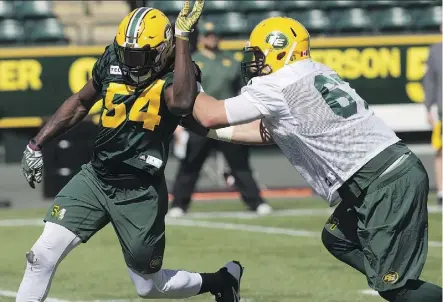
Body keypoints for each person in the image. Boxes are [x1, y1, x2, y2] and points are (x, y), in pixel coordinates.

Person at [184, 17, 442, 302]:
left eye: (259, 54)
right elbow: (266, 131)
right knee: (338, 238)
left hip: (382, 181)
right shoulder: (312, 72)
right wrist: (205, 130)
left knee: (396, 287)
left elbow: (210, 113)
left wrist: (184, 80)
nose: (255, 62)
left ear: (280, 49)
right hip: (384, 173)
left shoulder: (279, 84)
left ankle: (398, 286)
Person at [18, 3, 244, 302]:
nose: (129, 63)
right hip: (95, 178)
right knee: (40, 256)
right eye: (125, 54)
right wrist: (36, 143)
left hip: (140, 191)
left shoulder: (179, 72)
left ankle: (222, 281)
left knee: (149, 287)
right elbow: (82, 102)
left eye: (138, 56)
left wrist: (182, 37)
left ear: (163, 50)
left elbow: (181, 103)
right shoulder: (114, 59)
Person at [169, 21, 271, 218]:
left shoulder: (230, 61)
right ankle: (179, 204)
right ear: (201, 38)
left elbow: (241, 90)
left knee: (240, 164)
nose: (212, 38)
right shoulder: (193, 61)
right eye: (208, 35)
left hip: (227, 118)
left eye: (214, 35)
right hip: (199, 121)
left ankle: (255, 202)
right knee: (191, 164)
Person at [423, 34, 442, 205]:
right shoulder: (436, 50)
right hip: (442, 110)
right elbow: (429, 82)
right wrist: (428, 108)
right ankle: (442, 191)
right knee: (440, 150)